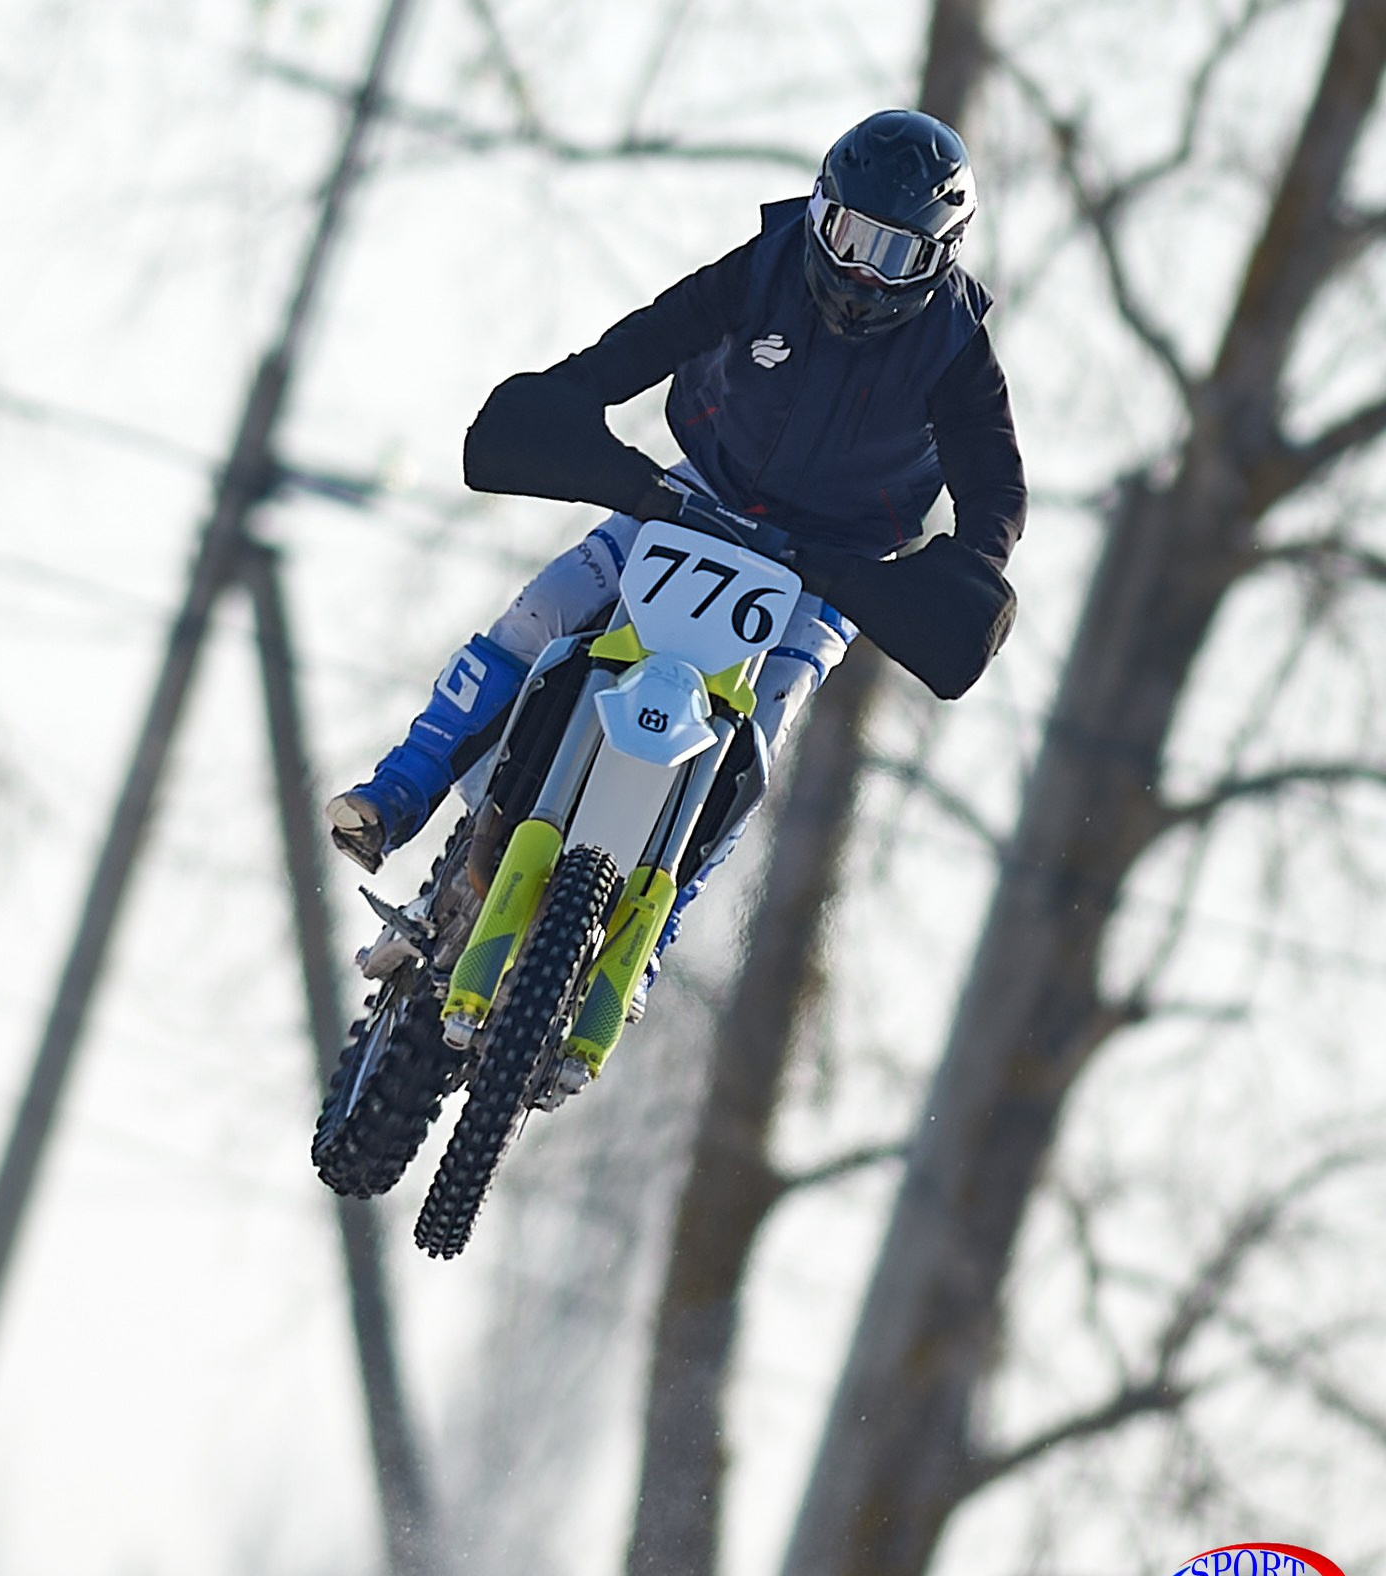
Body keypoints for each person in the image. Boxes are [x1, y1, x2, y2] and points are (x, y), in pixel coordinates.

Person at [327, 109, 1026, 994]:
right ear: (819, 209)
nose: (860, 270)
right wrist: (572, 401)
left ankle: (658, 922)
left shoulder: (956, 348)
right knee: (545, 612)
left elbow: (995, 486)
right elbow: (654, 335)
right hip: (697, 498)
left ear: (939, 259)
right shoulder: (766, 265)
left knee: (761, 729)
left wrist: (969, 568)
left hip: (830, 565)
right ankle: (396, 795)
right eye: (849, 235)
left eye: (893, 255)